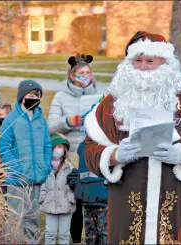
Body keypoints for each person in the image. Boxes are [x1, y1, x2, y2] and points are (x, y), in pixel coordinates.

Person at [83, 31, 181, 244]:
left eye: (150, 61)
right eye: (137, 60)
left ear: (165, 63)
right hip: (126, 209)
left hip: (175, 209)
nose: (143, 67)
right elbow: (90, 148)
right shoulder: (114, 102)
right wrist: (114, 155)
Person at [48, 53, 103, 244]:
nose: (86, 75)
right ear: (72, 75)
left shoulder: (99, 96)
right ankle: (72, 237)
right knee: (72, 200)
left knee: (89, 199)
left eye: (88, 72)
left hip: (91, 155)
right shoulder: (61, 97)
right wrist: (68, 121)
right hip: (69, 156)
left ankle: (92, 236)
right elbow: (51, 126)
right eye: (81, 73)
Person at [0, 79, 52, 242]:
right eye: (30, 95)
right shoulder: (12, 118)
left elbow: (47, 144)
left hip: (36, 179)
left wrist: (46, 166)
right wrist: (17, 168)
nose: (34, 98)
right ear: (22, 96)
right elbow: (4, 147)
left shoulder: (40, 119)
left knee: (32, 219)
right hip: (17, 180)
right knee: (15, 220)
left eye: (37, 95)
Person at [68, 140, 108, 245]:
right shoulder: (82, 146)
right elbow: (74, 169)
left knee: (104, 237)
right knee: (90, 237)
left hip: (103, 202)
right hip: (86, 201)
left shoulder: (108, 143)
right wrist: (77, 186)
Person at [39, 132, 76, 245]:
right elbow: (42, 185)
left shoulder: (69, 167)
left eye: (59, 147)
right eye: (53, 147)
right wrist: (42, 198)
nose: (56, 150)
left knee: (64, 234)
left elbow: (73, 185)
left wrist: (71, 199)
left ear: (64, 149)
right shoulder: (45, 167)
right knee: (50, 233)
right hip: (50, 204)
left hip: (66, 205)